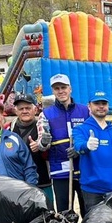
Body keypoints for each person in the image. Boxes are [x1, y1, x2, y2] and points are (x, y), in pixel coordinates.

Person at [71, 91, 112, 209]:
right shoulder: (80, 129)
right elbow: (78, 146)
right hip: (92, 191)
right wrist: (86, 146)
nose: (101, 106)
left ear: (108, 106)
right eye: (97, 103)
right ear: (89, 106)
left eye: (104, 103)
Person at [42, 74, 89, 215]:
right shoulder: (46, 113)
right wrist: (44, 143)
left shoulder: (85, 111)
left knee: (88, 210)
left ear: (70, 89)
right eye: (57, 88)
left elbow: (92, 137)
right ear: (53, 91)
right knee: (64, 212)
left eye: (63, 87)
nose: (61, 91)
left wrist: (80, 150)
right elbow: (42, 145)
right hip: (60, 171)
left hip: (83, 169)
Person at [6, 92, 54, 209]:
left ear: (35, 109)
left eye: (28, 108)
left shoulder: (44, 126)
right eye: (21, 108)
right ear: (16, 111)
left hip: (43, 181)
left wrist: (41, 148)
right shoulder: (8, 129)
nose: (24, 111)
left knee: (47, 214)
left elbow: (53, 151)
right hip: (16, 184)